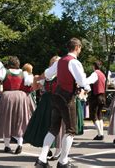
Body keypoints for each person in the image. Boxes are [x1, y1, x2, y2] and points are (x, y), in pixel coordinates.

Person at [35, 38, 96, 168]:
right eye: (80, 48)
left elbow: (47, 74)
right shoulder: (74, 62)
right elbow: (81, 81)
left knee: (53, 128)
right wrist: (90, 82)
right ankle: (63, 161)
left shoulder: (60, 61)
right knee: (70, 130)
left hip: (56, 95)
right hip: (67, 97)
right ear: (78, 47)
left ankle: (41, 159)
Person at [24, 56, 61, 161]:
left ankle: (58, 150)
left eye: (57, 63)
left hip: (58, 100)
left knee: (58, 126)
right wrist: (36, 79)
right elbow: (34, 88)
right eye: (54, 62)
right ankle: (47, 150)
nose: (56, 64)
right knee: (45, 125)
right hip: (46, 102)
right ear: (51, 64)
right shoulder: (47, 74)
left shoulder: (62, 74)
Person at [87, 61, 107, 141]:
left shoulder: (95, 73)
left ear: (93, 66)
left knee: (93, 115)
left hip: (96, 96)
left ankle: (100, 134)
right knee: (99, 115)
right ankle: (101, 133)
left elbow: (89, 81)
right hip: (102, 96)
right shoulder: (103, 74)